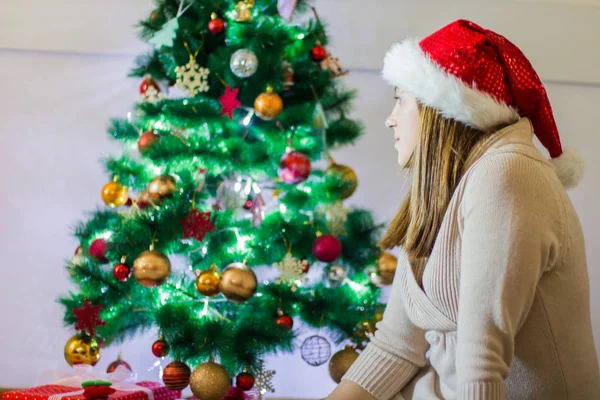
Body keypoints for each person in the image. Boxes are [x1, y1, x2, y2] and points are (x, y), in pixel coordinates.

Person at [327, 19, 600, 400]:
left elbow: (481, 362)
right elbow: (396, 344)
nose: (390, 119)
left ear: (438, 107)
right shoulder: (446, 187)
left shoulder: (509, 174)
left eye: (400, 99)